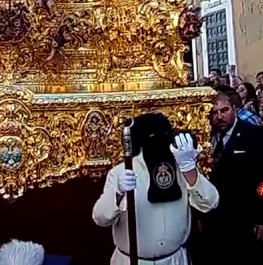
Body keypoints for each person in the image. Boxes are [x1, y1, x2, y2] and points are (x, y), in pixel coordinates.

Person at [93, 113, 218, 265]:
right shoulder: (122, 172)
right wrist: (118, 194)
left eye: (165, 135)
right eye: (153, 136)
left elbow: (210, 203)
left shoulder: (180, 166)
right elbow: (100, 218)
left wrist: (189, 168)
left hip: (174, 260)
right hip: (133, 261)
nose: (160, 141)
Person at [201, 88, 263, 263]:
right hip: (215, 225)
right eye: (214, 112)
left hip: (247, 221)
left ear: (234, 109)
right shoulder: (205, 138)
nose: (220, 116)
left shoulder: (254, 136)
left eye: (224, 110)